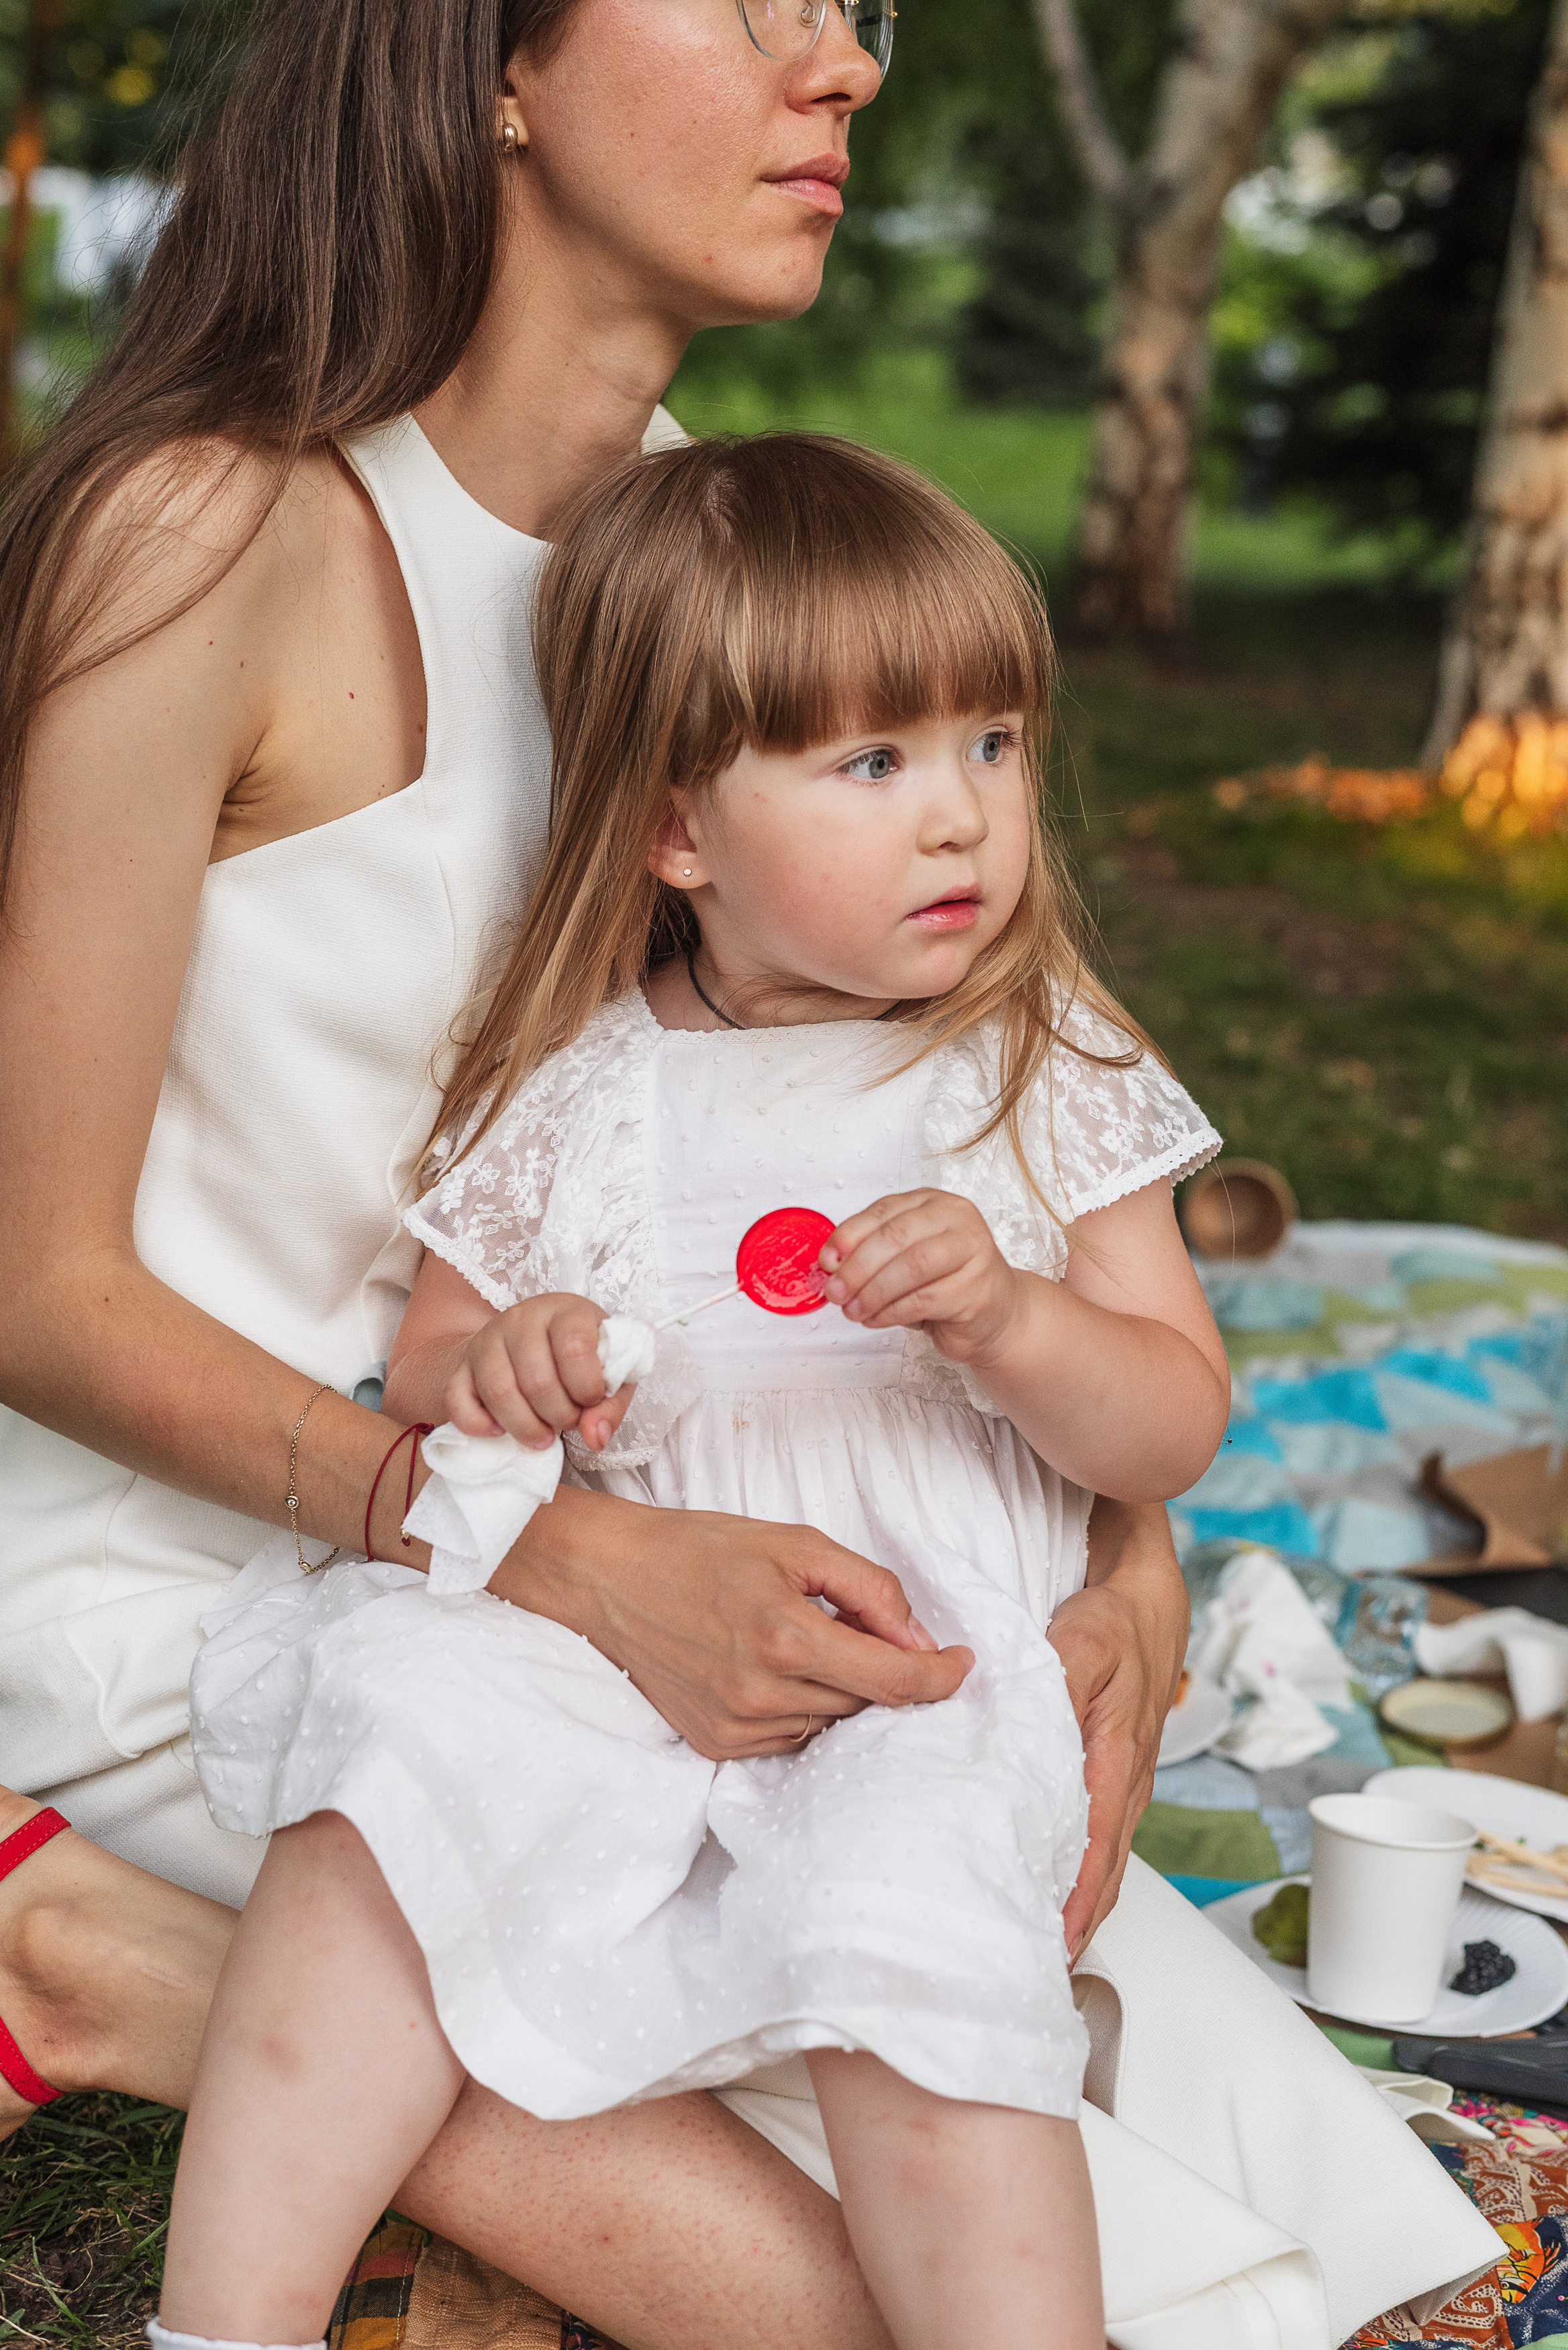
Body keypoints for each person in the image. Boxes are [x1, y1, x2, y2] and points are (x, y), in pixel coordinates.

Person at [0, 1, 1209, 2343]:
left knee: (1095, 2110)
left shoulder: (714, 544)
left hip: (618, 1565)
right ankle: (121, 1949)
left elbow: (931, 1080)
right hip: (206, 1579)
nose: (842, 64)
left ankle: (209, 1997)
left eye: (850, 5)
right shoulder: (210, 530)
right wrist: (547, 1557)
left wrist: (1133, 1563)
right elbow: (27, 1276)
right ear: (491, 66)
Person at [156, 432, 1233, 2350]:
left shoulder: (1039, 1059)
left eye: (994, 741)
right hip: (620, 1628)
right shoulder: (581, 1086)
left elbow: (1174, 1422)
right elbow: (433, 1369)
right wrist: (513, 1363)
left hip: (918, 1653)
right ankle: (222, 2322)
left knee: (922, 1921)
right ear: (677, 831)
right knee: (395, 1733)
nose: (964, 819)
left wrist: (1018, 1323)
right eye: (873, 761)